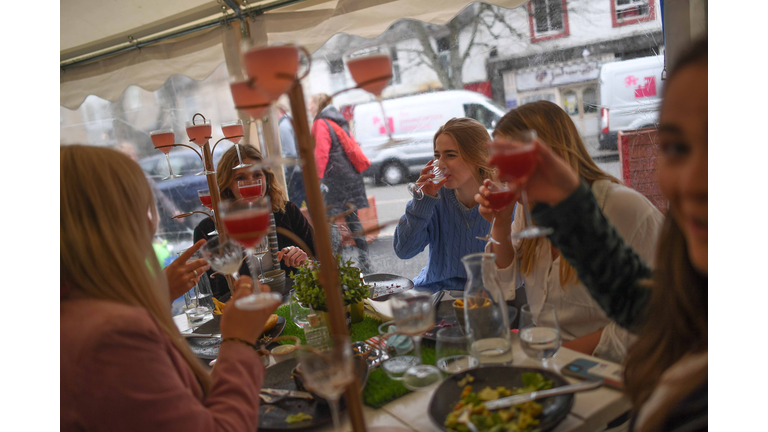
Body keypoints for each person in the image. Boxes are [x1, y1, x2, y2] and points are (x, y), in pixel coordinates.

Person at [485, 37, 708, 431]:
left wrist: (551, 356)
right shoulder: (697, 280)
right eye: (675, 147)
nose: (692, 182)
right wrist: (565, 204)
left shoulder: (626, 207)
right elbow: (644, 306)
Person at [61, 145, 280, 431]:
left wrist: (156, 296)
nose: (151, 224)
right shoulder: (112, 338)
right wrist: (237, 342)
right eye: (142, 206)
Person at [475, 101, 664, 363]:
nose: (500, 172)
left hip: (615, 369)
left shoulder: (622, 207)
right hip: (552, 361)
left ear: (549, 153)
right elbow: (503, 283)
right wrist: (501, 222)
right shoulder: (528, 205)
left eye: (510, 157)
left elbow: (654, 321)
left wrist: (557, 355)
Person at [194, 144, 315, 300]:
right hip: (245, 310)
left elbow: (324, 263)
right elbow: (211, 295)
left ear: (267, 178)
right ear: (228, 186)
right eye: (240, 178)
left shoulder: (287, 212)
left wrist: (306, 263)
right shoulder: (209, 229)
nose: (250, 183)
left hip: (293, 302)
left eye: (257, 175)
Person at [394, 117, 498, 293]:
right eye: (437, 156)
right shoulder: (434, 198)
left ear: (477, 156)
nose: (440, 164)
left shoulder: (503, 201)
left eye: (450, 155)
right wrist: (421, 201)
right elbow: (403, 250)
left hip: (485, 298)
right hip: (435, 292)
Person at [309, 93, 373, 273]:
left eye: (311, 103)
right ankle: (366, 264)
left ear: (318, 104)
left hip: (334, 179)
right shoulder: (338, 121)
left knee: (329, 221)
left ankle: (337, 267)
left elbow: (321, 152)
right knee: (354, 221)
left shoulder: (321, 122)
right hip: (351, 177)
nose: (309, 107)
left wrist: (317, 178)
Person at [277, 98, 306, 207]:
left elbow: (290, 154)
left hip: (296, 173)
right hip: (304, 170)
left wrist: (285, 175)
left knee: (293, 208)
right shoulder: (294, 121)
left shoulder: (284, 126)